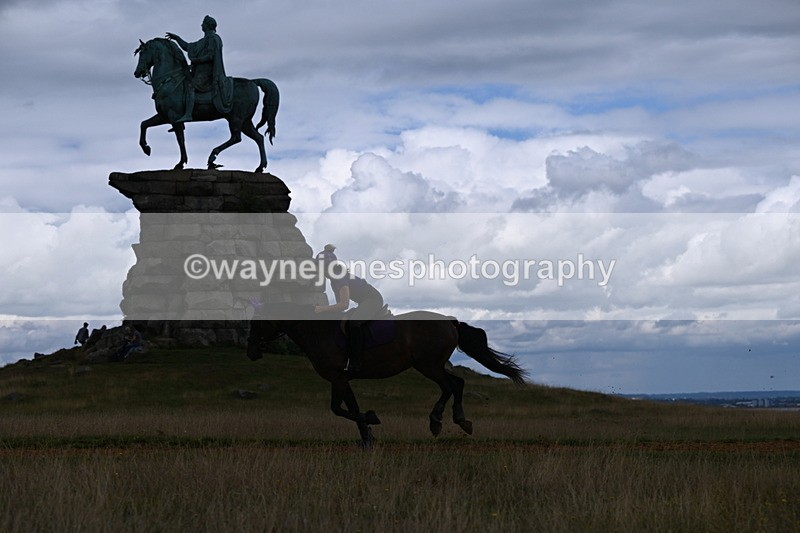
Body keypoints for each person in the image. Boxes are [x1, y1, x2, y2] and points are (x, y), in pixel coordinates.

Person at [314, 245, 385, 372]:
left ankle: (356, 362)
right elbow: (339, 307)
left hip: (373, 299)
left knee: (354, 323)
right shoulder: (333, 280)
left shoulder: (339, 278)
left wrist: (323, 309)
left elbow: (344, 305)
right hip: (363, 302)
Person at [166, 15, 233, 121]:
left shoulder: (213, 38)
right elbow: (187, 47)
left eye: (203, 23)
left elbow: (211, 56)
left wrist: (197, 60)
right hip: (199, 71)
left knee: (190, 86)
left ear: (208, 25)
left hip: (208, 72)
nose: (201, 25)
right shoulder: (203, 40)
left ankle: (188, 114)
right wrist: (177, 38)